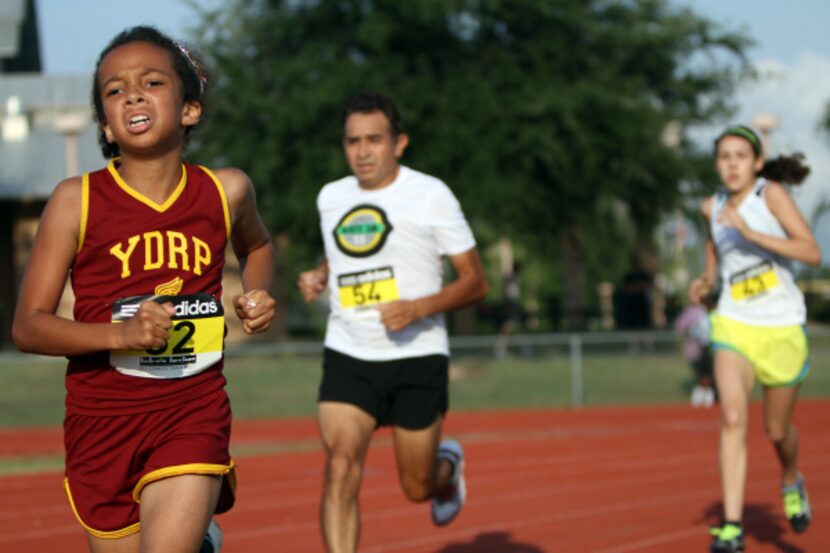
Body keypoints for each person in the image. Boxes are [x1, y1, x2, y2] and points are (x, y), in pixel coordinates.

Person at [12, 26, 276, 553]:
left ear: (189, 109)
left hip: (191, 408)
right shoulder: (75, 202)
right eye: (114, 89)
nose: (131, 93)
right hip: (100, 425)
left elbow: (259, 246)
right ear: (106, 126)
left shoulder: (226, 191)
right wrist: (121, 334)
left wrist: (258, 293)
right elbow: (29, 326)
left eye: (152, 82)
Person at [297, 90, 488, 553]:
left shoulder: (430, 195)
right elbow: (341, 246)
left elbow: (476, 282)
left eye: (374, 140)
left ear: (399, 142)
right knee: (341, 466)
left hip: (416, 354)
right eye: (353, 141)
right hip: (350, 351)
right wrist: (321, 273)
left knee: (416, 486)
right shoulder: (332, 197)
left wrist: (417, 308)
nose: (362, 151)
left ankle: (447, 470)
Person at [688, 125, 819, 553]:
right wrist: (707, 281)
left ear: (757, 163)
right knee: (731, 418)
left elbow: (811, 253)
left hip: (781, 326)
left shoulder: (771, 196)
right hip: (734, 325)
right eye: (724, 156)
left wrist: (752, 233)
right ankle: (731, 526)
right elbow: (714, 247)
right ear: (716, 164)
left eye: (740, 156)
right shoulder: (712, 206)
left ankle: (790, 478)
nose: (731, 164)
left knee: (777, 431)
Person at [674, 295, 716, 407]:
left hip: (711, 347)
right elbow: (681, 327)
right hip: (697, 348)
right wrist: (693, 332)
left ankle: (708, 396)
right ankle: (700, 396)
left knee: (710, 373)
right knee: (700, 374)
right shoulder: (692, 311)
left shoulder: (713, 312)